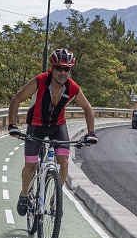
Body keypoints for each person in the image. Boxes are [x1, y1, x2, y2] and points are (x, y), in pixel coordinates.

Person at [7, 48, 97, 216]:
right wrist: (12, 125)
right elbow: (16, 99)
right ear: (52, 68)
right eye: (59, 68)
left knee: (63, 161)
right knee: (31, 165)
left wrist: (91, 133)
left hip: (58, 127)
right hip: (36, 126)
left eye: (67, 69)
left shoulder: (72, 87)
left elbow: (87, 108)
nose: (63, 72)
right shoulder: (40, 81)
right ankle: (24, 194)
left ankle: (55, 199)